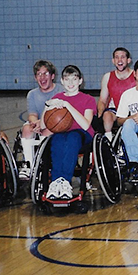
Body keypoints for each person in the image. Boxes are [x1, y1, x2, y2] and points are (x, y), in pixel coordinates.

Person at [40, 65, 96, 200]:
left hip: (82, 135)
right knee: (57, 139)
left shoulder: (88, 99)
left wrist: (67, 105)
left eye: (74, 79)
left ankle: (65, 181)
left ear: (80, 81)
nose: (71, 83)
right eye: (67, 79)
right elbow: (43, 125)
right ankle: (56, 182)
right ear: (62, 82)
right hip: (62, 132)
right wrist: (48, 106)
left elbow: (85, 124)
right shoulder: (57, 97)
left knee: (72, 137)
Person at [19, 60, 64, 181]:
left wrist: (43, 123)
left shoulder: (61, 91)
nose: (42, 77)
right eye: (39, 74)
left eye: (46, 74)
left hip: (56, 124)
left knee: (47, 130)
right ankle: (29, 165)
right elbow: (32, 114)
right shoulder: (32, 94)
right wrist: (35, 123)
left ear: (52, 76)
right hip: (40, 123)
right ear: (35, 77)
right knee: (27, 129)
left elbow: (61, 115)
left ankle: (46, 161)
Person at [96, 47, 136, 142]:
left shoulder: (135, 75)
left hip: (132, 110)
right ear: (113, 61)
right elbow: (102, 100)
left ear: (128, 60)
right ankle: (109, 140)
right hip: (115, 110)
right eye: (117, 57)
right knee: (106, 115)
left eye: (122, 57)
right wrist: (100, 114)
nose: (119, 60)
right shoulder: (107, 76)